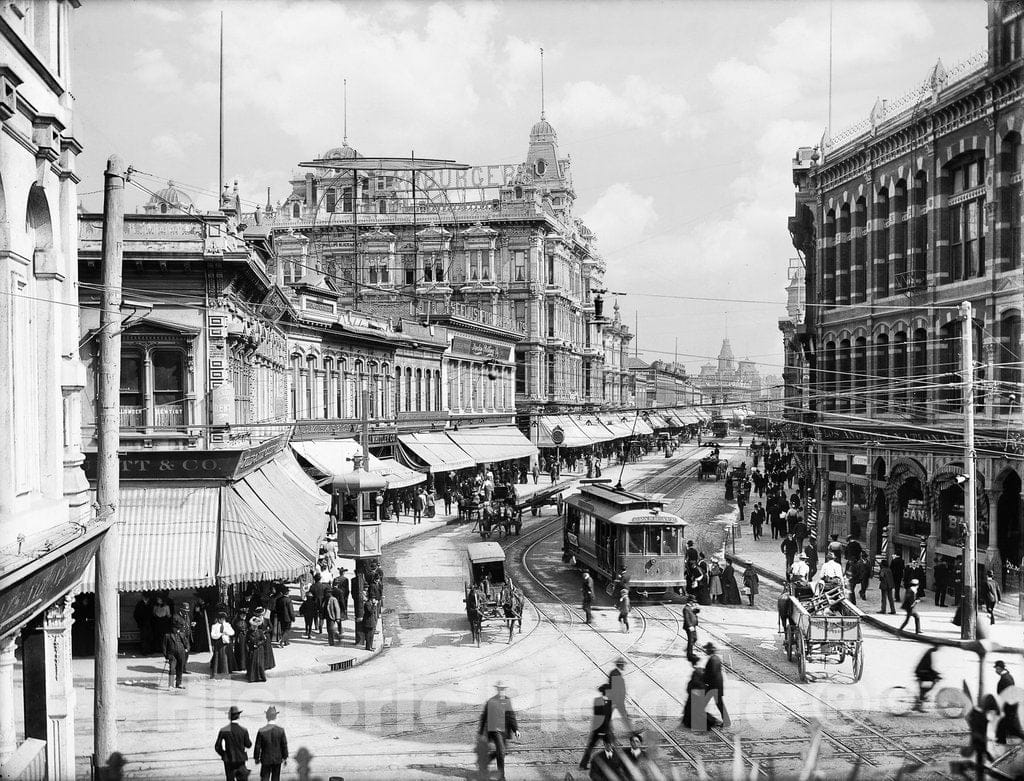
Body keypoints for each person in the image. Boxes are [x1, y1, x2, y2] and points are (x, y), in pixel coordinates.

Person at [479, 681, 519, 780]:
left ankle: (485, 761)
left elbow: (511, 715)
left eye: (503, 689)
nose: (502, 691)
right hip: (495, 730)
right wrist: (481, 732)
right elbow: (484, 717)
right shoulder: (491, 701)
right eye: (500, 689)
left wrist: (516, 729)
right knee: (501, 751)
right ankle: (501, 777)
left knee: (503, 751)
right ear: (497, 689)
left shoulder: (507, 700)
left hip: (505, 731)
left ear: (505, 689)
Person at [214, 706, 251, 781]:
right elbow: (248, 745)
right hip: (240, 759)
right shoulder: (243, 730)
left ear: (229, 716)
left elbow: (217, 746)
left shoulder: (224, 730)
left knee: (230, 779)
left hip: (228, 759)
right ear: (238, 716)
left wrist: (224, 754)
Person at [580, 687, 614, 770]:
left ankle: (611, 764)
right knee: (590, 747)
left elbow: (609, 717)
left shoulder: (610, 702)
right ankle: (582, 765)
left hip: (606, 729)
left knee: (609, 746)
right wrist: (601, 731)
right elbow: (598, 716)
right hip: (599, 729)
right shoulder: (598, 700)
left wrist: (610, 728)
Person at [253, 706, 288, 781]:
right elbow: (284, 745)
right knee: (276, 778)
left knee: (264, 778)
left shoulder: (261, 731)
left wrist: (256, 758)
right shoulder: (281, 730)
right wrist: (285, 757)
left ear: (266, 717)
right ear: (275, 717)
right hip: (277, 759)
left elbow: (257, 746)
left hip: (265, 759)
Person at [600, 658, 633, 731]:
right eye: (623, 665)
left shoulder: (616, 673)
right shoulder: (615, 674)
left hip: (616, 699)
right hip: (616, 700)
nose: (624, 666)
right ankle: (631, 732)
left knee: (610, 716)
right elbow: (615, 688)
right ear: (620, 665)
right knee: (622, 716)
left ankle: (608, 731)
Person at [702, 642, 730, 728]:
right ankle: (726, 722)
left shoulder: (713, 659)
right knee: (719, 704)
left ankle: (701, 720)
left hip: (713, 686)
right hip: (716, 685)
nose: (705, 651)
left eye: (706, 649)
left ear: (710, 650)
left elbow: (712, 673)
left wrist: (704, 679)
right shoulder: (716, 658)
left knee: (702, 702)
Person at [162, 620, 189, 689]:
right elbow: (164, 647)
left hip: (181, 654)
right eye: (176, 628)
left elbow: (186, 643)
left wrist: (186, 649)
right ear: (173, 628)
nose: (177, 630)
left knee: (180, 669)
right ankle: (171, 685)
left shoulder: (182, 634)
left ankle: (178, 683)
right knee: (172, 669)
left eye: (178, 628)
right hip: (172, 655)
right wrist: (166, 656)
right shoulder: (167, 635)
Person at [913, 645, 941, 711]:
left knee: (923, 689)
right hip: (921, 672)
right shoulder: (929, 654)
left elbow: (928, 667)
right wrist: (936, 675)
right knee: (931, 684)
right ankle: (919, 702)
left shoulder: (929, 653)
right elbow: (928, 667)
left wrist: (935, 674)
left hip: (921, 672)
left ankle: (918, 704)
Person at [210, 610, 234, 679]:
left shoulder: (227, 625)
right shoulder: (214, 626)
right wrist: (220, 634)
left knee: (225, 657)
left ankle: (226, 671)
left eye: (223, 619)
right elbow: (213, 635)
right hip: (218, 643)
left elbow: (232, 632)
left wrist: (226, 632)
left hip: (225, 643)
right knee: (218, 657)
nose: (222, 620)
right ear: (218, 619)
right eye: (221, 619)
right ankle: (217, 671)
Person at [246, 616, 268, 683]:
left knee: (259, 663)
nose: (254, 627)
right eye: (253, 626)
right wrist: (249, 646)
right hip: (252, 649)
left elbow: (264, 640)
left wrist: (258, 644)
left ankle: (260, 677)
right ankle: (252, 677)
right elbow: (247, 641)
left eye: (256, 626)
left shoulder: (260, 632)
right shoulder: (249, 632)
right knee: (252, 662)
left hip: (259, 649)